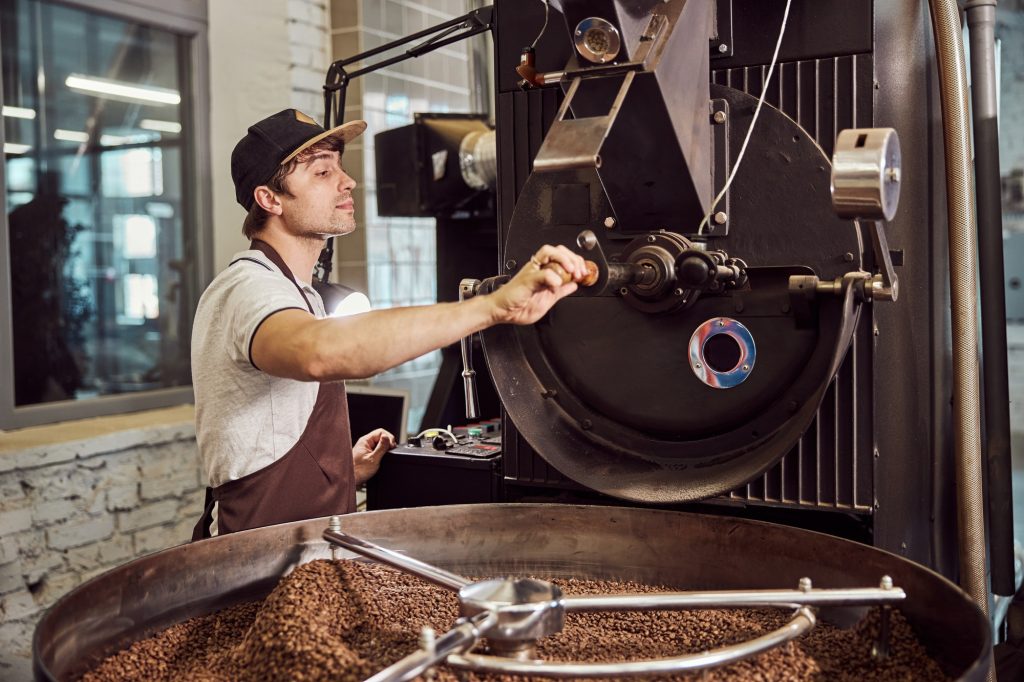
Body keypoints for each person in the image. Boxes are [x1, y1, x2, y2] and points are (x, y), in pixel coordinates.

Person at [190, 109, 586, 539]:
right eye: (323, 172)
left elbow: (265, 438)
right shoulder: (249, 288)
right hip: (261, 561)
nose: (347, 181)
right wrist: (494, 307)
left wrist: (342, 470)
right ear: (270, 199)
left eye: (340, 167)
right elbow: (320, 353)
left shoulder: (298, 294)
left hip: (311, 555)